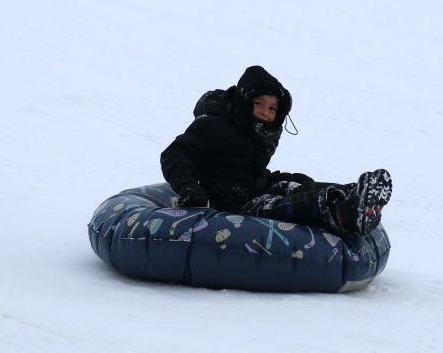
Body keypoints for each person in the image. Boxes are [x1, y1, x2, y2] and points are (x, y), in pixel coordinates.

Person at [160, 66, 392, 237]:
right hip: (227, 202)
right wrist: (188, 187)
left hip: (253, 187)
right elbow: (175, 154)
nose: (265, 112)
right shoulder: (213, 125)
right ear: (244, 100)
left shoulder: (259, 131)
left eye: (272, 108)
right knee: (286, 207)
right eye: (258, 103)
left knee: (298, 184)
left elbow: (247, 170)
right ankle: (342, 213)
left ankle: (353, 196)